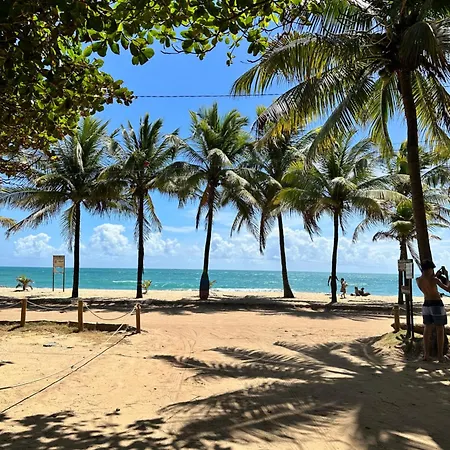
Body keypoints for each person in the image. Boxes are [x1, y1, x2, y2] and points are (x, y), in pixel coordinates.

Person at [416, 259, 448, 362]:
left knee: (427, 329)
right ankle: (440, 356)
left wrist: (437, 275)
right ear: (429, 269)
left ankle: (426, 355)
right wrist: (447, 276)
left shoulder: (418, 280)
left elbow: (428, 283)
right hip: (436, 304)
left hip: (426, 304)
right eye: (431, 269)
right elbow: (448, 289)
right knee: (440, 329)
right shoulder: (434, 280)